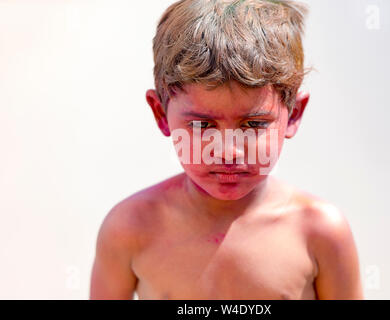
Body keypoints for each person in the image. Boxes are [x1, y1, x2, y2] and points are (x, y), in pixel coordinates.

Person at [90, 0, 364, 300]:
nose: (229, 152)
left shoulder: (320, 233)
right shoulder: (130, 228)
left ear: (294, 114)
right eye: (202, 126)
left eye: (253, 124)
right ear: (160, 113)